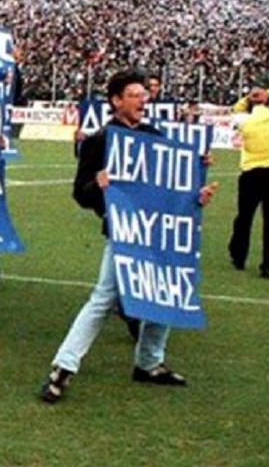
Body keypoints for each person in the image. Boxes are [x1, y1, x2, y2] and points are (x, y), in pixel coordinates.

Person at [40, 69, 219, 404]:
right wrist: (99, 187)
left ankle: (149, 362)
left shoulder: (155, 135)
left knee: (165, 290)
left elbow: (170, 188)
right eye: (135, 94)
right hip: (125, 233)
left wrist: (198, 193)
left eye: (144, 94)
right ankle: (62, 367)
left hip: (159, 233)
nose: (143, 100)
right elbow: (80, 194)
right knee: (104, 298)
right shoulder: (99, 141)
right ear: (116, 100)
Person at [228, 86, 269, 279]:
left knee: (244, 218)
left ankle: (238, 256)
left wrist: (248, 96)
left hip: (250, 172)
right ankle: (268, 264)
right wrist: (268, 94)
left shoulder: (244, 119)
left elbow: (237, 109)